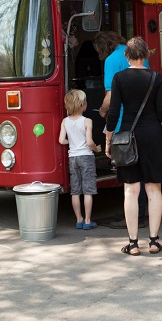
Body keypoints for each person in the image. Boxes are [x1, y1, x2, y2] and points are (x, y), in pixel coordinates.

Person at [105, 37, 162, 256]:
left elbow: (114, 112)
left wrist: (108, 140)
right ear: (145, 56)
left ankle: (133, 243)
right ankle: (154, 241)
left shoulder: (119, 78)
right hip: (154, 136)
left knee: (131, 190)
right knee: (154, 189)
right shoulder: (156, 78)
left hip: (128, 137)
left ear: (127, 56)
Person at [94, 31, 149, 229]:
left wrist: (101, 111)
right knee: (142, 173)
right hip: (144, 123)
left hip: (122, 126)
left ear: (103, 48)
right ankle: (142, 212)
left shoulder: (110, 60)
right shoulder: (140, 59)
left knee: (128, 174)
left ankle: (134, 217)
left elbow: (110, 97)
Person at [59, 89, 102, 230]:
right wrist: (97, 149)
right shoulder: (87, 121)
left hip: (73, 157)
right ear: (83, 105)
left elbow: (61, 140)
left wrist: (72, 142)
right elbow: (89, 142)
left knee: (75, 191)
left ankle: (79, 219)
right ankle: (88, 221)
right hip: (86, 157)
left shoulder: (65, 121)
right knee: (88, 190)